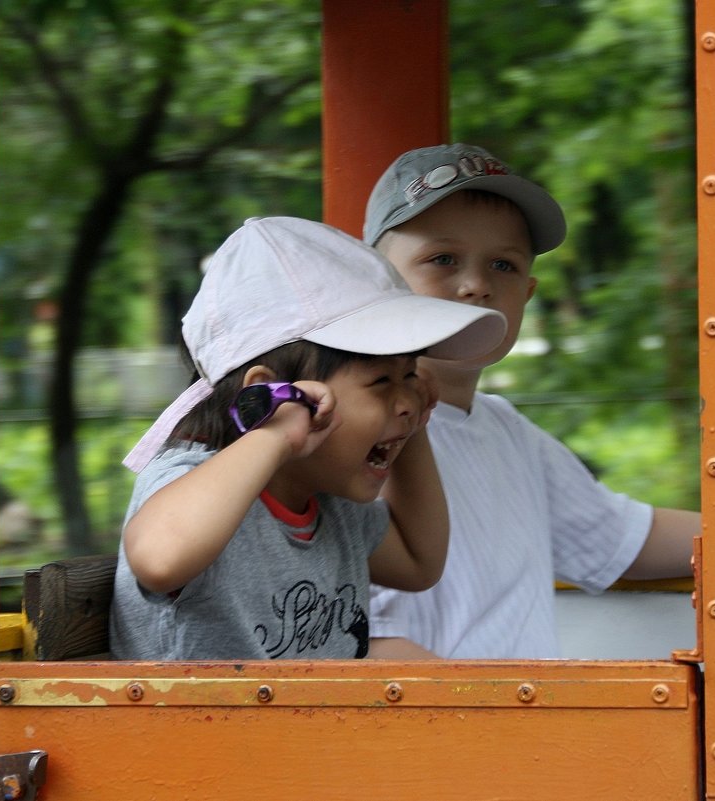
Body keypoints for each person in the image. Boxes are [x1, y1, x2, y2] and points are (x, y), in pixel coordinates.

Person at [108, 216, 507, 661]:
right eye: (380, 381)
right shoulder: (195, 484)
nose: (408, 400)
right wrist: (274, 434)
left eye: (410, 374)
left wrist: (414, 427)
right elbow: (160, 560)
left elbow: (420, 563)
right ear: (269, 392)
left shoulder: (332, 510)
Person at [361, 143, 701, 659]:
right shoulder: (354, 436)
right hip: (439, 726)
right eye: (442, 259)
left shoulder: (507, 432)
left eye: (503, 265)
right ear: (373, 280)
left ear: (529, 294)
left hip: (520, 719)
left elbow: (626, 540)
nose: (476, 285)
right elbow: (363, 640)